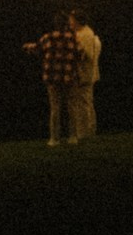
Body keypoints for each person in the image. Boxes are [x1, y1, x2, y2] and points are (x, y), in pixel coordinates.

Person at [23, 11, 84, 147]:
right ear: (66, 24)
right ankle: (72, 137)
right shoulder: (73, 38)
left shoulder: (48, 37)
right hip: (69, 77)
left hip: (52, 78)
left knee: (55, 108)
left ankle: (54, 139)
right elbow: (80, 55)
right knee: (71, 107)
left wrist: (27, 46)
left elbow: (37, 48)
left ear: (55, 24)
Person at [67, 9, 101, 143]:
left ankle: (85, 133)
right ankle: (87, 131)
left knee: (84, 103)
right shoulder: (85, 33)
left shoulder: (85, 34)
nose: (70, 23)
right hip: (85, 73)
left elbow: (87, 55)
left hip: (84, 74)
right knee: (85, 102)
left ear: (77, 21)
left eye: (71, 20)